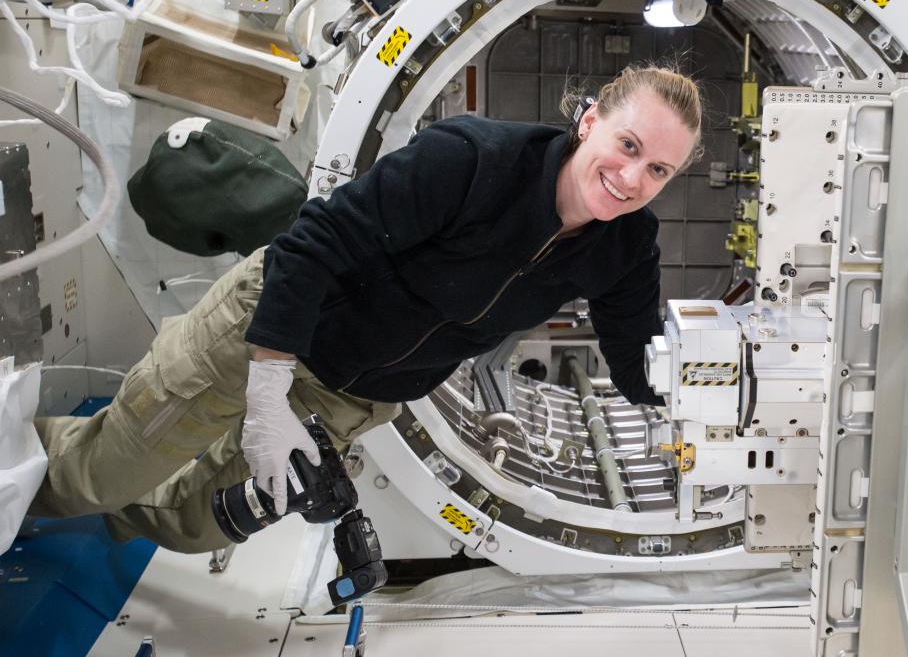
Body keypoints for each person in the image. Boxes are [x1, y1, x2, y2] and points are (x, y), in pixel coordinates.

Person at [29, 64, 703, 552]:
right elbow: (311, 245)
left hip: (348, 396)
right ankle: (39, 482)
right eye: (629, 145)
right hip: (269, 331)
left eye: (658, 171)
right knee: (97, 476)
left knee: (201, 524)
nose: (631, 178)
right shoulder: (474, 160)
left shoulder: (626, 246)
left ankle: (83, 511)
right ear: (590, 121)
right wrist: (266, 393)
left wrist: (704, 399)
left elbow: (634, 356)